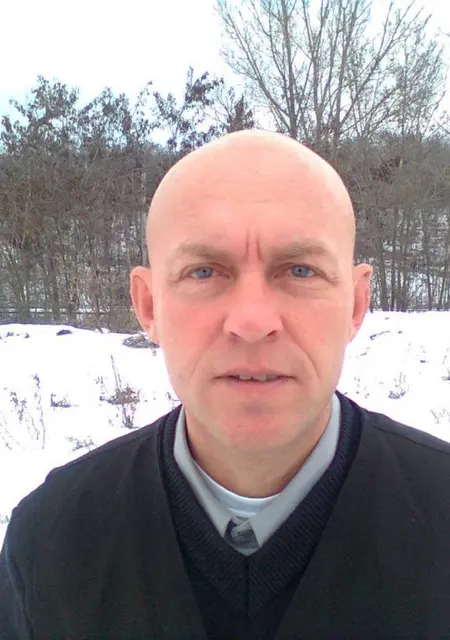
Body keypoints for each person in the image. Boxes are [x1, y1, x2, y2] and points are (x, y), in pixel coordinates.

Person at [1, 130, 450, 640]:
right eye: (204, 272)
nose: (252, 322)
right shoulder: (50, 544)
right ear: (149, 305)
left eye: (300, 270)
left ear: (355, 303)